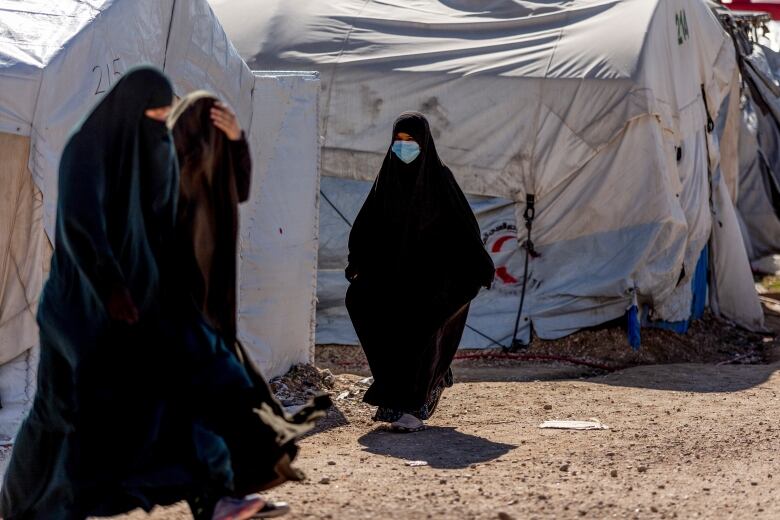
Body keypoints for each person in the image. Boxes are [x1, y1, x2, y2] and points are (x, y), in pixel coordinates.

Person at [0, 66, 186, 519]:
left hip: (123, 306)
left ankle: (25, 502)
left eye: (166, 117)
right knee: (71, 409)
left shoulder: (149, 151)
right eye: (153, 115)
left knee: (61, 410)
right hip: (79, 305)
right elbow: (81, 226)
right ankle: (46, 503)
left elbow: (162, 221)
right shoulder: (88, 149)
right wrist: (112, 287)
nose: (160, 125)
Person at [168, 91, 328, 520]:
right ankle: (217, 500)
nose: (211, 151)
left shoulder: (214, 188)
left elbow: (239, 186)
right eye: (206, 138)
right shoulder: (162, 188)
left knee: (241, 405)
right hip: (183, 328)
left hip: (216, 323)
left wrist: (237, 140)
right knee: (207, 414)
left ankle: (235, 494)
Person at [345, 112, 495, 433]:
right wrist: (356, 264)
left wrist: (478, 267)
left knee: (419, 333)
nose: (403, 148)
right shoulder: (387, 180)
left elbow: (465, 229)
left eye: (411, 142)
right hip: (390, 279)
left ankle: (412, 406)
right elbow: (365, 227)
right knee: (367, 311)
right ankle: (395, 396)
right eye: (398, 142)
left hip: (432, 281)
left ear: (424, 143)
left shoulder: (440, 180)